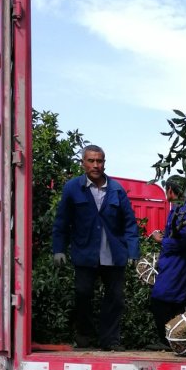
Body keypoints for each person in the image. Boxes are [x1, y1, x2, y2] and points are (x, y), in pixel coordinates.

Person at [52, 144, 139, 350]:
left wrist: (133, 251)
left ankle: (110, 341)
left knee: (115, 298)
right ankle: (84, 336)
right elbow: (62, 221)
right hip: (85, 253)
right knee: (83, 293)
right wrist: (58, 249)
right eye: (91, 161)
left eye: (99, 161)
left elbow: (129, 223)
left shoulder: (116, 189)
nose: (95, 165)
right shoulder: (72, 188)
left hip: (114, 255)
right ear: (83, 163)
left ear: (104, 163)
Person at [148, 176, 186, 346]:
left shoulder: (181, 210)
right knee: (176, 302)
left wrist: (160, 240)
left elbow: (182, 242)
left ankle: (167, 341)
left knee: (160, 299)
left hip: (177, 265)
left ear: (170, 190)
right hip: (184, 265)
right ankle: (176, 342)